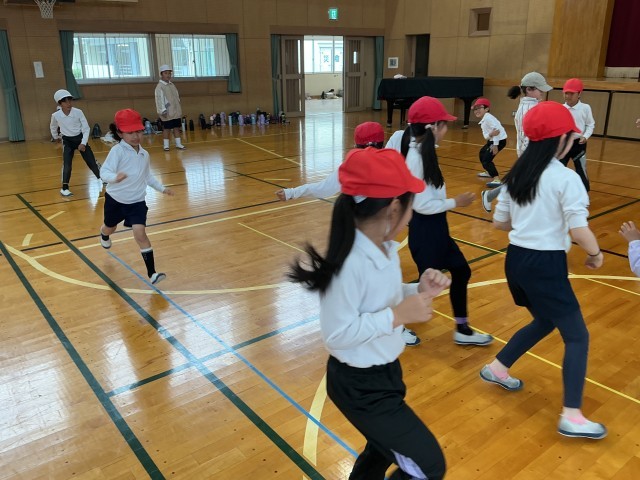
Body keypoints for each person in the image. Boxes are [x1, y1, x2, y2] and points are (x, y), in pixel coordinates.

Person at [288, 147, 449, 480]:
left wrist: (416, 290)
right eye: (412, 206)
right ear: (394, 209)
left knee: (379, 450)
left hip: (386, 373)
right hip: (359, 386)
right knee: (429, 466)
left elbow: (379, 298)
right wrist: (397, 315)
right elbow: (337, 335)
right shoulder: (350, 263)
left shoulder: (385, 248)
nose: (412, 215)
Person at [479, 101, 607, 440]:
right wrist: (595, 254)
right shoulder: (566, 178)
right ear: (561, 139)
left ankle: (497, 367)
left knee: (546, 320)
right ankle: (572, 416)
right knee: (577, 336)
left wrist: (531, 223)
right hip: (545, 265)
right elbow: (579, 230)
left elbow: (500, 223)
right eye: (571, 137)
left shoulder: (516, 174)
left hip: (516, 261)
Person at [275, 122, 421, 347]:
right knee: (370, 283)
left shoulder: (356, 166)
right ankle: (392, 324)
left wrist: (291, 192)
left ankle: (388, 323)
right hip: (364, 237)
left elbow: (322, 188)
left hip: (367, 236)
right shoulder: (381, 168)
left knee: (377, 283)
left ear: (355, 144)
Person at [394, 96, 493, 346]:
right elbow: (421, 205)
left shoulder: (424, 152)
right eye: (444, 124)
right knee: (425, 286)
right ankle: (394, 325)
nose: (447, 129)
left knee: (461, 271)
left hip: (437, 230)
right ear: (433, 127)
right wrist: (455, 202)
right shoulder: (416, 158)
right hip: (426, 231)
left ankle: (462, 329)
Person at [98, 109, 174, 285]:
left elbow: (147, 176)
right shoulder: (117, 151)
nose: (135, 136)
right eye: (130, 132)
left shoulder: (144, 154)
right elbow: (104, 172)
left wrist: (162, 189)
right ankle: (104, 234)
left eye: (138, 131)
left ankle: (152, 273)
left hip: (137, 202)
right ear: (120, 133)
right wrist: (114, 177)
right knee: (110, 227)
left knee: (140, 234)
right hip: (116, 200)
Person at [480, 72, 552, 212]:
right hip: (530, 152)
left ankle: (490, 196)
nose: (543, 92)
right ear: (529, 89)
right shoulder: (528, 108)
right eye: (540, 89)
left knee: (523, 181)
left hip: (530, 151)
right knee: (527, 181)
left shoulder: (531, 104)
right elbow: (527, 135)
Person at [50, 89, 102, 196]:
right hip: (67, 142)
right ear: (60, 103)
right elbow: (53, 127)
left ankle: (101, 178)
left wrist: (83, 143)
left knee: (91, 161)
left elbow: (86, 128)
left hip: (80, 140)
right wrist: (56, 137)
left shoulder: (78, 112)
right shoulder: (56, 115)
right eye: (65, 101)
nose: (68, 104)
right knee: (67, 164)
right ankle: (65, 188)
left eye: (70, 100)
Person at [559, 78, 595, 192]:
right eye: (566, 93)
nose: (568, 96)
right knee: (558, 168)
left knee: (581, 169)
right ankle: (558, 191)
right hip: (563, 144)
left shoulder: (585, 108)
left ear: (579, 94)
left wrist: (585, 136)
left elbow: (590, 124)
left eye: (571, 93)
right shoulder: (560, 108)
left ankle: (584, 193)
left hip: (578, 144)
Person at [473, 97, 508, 188]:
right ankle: (489, 172)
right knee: (482, 153)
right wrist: (491, 134)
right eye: (475, 109)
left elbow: (496, 131)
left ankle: (496, 179)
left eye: (479, 108)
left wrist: (495, 145)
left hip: (498, 141)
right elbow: (486, 136)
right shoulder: (484, 120)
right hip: (492, 141)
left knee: (486, 160)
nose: (476, 111)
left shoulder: (488, 118)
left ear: (487, 109)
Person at [155, 65, 186, 152]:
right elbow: (159, 99)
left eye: (169, 73)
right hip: (167, 112)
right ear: (161, 74)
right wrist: (163, 110)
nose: (168, 75)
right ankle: (166, 145)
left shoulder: (172, 85)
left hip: (175, 111)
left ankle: (178, 144)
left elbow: (177, 97)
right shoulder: (160, 86)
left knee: (176, 127)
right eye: (166, 73)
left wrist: (178, 107)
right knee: (167, 129)